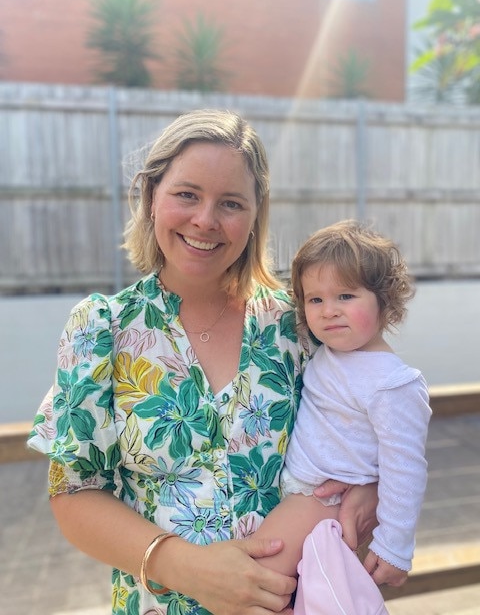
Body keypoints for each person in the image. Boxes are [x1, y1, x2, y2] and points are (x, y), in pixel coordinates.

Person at [27, 110, 378, 615]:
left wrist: (368, 485)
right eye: (187, 194)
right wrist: (189, 569)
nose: (206, 220)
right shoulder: (101, 329)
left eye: (231, 203)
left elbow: (365, 419)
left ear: (256, 215)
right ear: (151, 196)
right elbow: (74, 495)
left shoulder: (301, 326)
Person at [253, 219, 431, 592]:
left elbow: (406, 467)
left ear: (385, 300)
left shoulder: (392, 383)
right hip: (304, 493)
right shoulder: (328, 352)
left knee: (258, 579)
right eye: (315, 299)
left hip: (322, 499)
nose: (328, 310)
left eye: (345, 297)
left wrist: (394, 548)